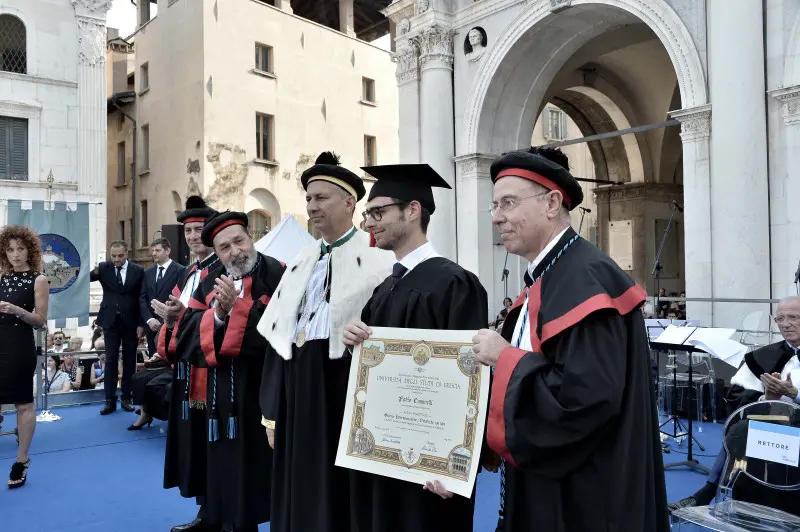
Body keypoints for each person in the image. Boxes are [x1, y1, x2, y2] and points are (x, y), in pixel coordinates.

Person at [470, 147, 668, 531]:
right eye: (494, 205)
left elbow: (584, 399)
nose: (497, 217)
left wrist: (505, 358)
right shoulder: (552, 275)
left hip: (582, 493)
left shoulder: (584, 280)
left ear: (552, 202)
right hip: (550, 478)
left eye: (508, 203)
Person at [342, 163, 489, 532]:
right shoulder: (385, 287)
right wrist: (355, 344)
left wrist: (455, 469)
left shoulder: (455, 283)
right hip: (384, 452)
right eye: (367, 214)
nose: (369, 223)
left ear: (412, 210)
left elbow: (469, 377)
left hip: (430, 469)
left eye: (378, 212)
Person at [257, 151, 394, 532]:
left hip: (340, 390)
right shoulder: (301, 258)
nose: (311, 206)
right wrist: (271, 410)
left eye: (321, 198)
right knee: (297, 485)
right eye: (308, 200)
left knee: (337, 493)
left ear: (349, 202)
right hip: (296, 386)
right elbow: (278, 338)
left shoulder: (378, 259)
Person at [178, 211, 285, 531]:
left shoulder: (278, 273)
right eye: (224, 248)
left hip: (262, 387)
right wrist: (219, 315)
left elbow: (282, 329)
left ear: (250, 236)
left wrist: (238, 310)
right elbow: (188, 336)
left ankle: (246, 522)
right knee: (221, 459)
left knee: (255, 464)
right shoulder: (209, 280)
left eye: (239, 241)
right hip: (220, 391)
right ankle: (219, 517)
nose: (234, 251)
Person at [668, 295, 800, 511]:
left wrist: (794, 394)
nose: (786, 324)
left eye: (793, 317)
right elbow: (737, 398)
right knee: (741, 429)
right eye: (780, 318)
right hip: (775, 425)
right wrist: (767, 399)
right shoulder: (764, 356)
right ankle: (709, 491)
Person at [150, 195, 220, 532]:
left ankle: (224, 515)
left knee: (216, 446)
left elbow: (221, 318)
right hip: (188, 369)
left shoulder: (222, 270)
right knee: (197, 445)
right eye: (188, 231)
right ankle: (206, 513)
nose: (193, 236)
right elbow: (179, 312)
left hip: (213, 372)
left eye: (199, 229)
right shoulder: (192, 270)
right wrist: (166, 320)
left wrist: (181, 318)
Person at [0, 225, 49, 489]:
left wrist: (18, 310)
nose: (15, 255)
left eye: (20, 249)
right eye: (10, 249)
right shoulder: (0, 278)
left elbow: (40, 321)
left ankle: (22, 459)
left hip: (19, 347)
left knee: (22, 405)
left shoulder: (38, 280)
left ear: (29, 250)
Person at [90, 240, 145, 415]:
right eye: (113, 256)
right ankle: (109, 400)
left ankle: (127, 398)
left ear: (126, 254)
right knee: (111, 359)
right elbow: (84, 277)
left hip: (131, 322)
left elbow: (142, 298)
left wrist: (141, 324)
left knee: (130, 360)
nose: (116, 259)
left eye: (120, 256)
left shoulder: (138, 270)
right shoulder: (103, 268)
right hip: (110, 321)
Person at [140, 237, 185, 356]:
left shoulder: (180, 271)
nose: (154, 253)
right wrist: (149, 320)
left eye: (157, 250)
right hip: (151, 327)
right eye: (153, 250)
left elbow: (180, 297)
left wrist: (161, 321)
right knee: (152, 362)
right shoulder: (148, 272)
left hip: (170, 325)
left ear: (167, 251)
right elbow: (142, 298)